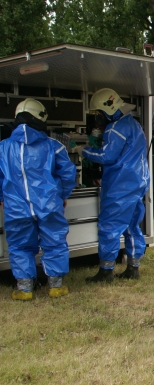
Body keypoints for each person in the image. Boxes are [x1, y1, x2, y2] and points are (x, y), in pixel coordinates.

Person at [0, 98, 76, 300]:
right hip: (49, 204)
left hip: (16, 207)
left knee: (19, 245)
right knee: (54, 241)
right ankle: (55, 286)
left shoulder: (3, 148)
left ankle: (24, 289)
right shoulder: (53, 146)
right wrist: (63, 195)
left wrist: (2, 197)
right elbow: (68, 173)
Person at [77, 88, 150, 283]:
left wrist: (83, 150)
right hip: (138, 182)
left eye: (98, 114)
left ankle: (106, 271)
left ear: (106, 111)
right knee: (133, 225)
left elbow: (106, 156)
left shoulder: (115, 128)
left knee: (109, 225)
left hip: (120, 186)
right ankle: (133, 267)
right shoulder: (134, 124)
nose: (98, 118)